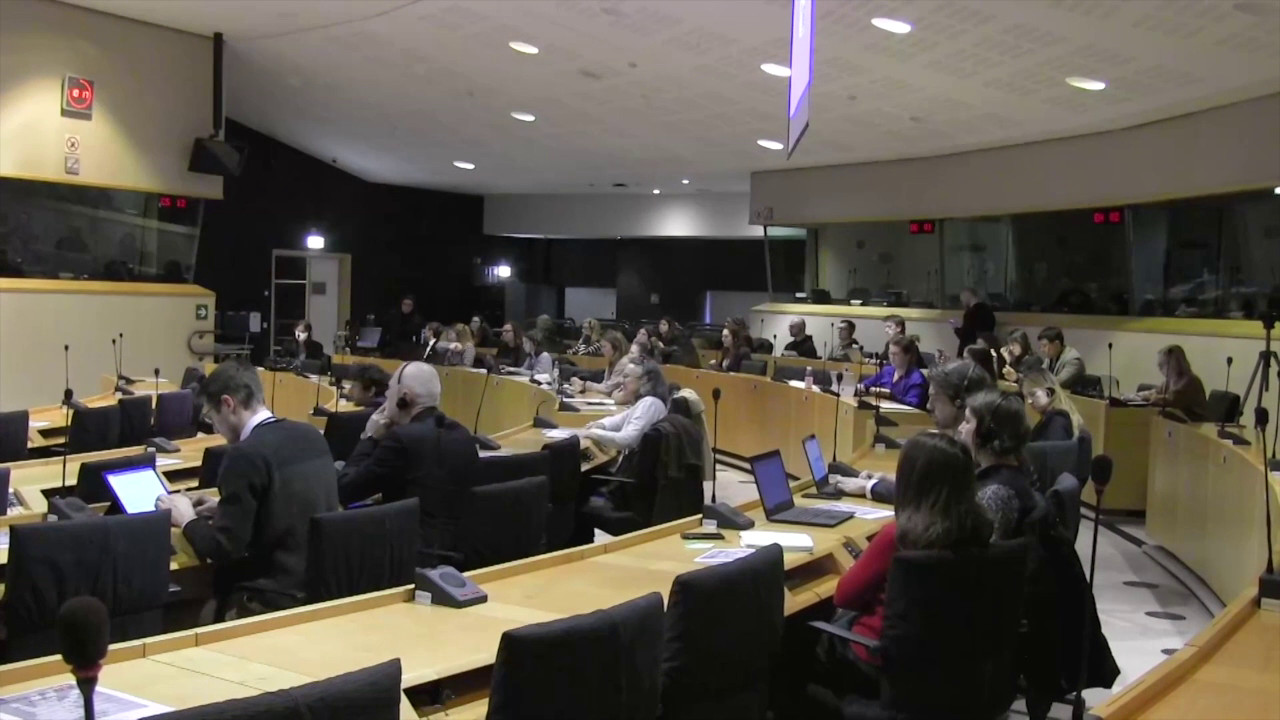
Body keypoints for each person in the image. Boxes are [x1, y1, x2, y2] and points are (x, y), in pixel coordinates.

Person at [156, 361, 339, 620]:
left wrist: (187, 519)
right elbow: (290, 506)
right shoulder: (311, 435)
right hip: (316, 586)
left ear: (228, 404)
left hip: (268, 597)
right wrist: (226, 509)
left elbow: (223, 548)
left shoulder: (244, 455)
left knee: (189, 613)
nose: (214, 427)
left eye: (211, 416)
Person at [821, 433, 992, 696]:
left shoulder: (898, 536)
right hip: (948, 664)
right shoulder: (979, 532)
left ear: (911, 481)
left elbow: (844, 597)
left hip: (877, 659)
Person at [336, 362, 479, 567]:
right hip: (458, 551)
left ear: (404, 397)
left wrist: (369, 436)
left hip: (408, 555)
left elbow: (345, 489)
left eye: (390, 391)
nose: (386, 396)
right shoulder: (462, 434)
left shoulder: (401, 439)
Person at [837, 359, 995, 503]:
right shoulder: (965, 441)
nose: (928, 406)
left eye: (935, 398)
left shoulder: (979, 449)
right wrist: (892, 480)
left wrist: (871, 487)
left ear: (959, 402)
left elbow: (934, 497)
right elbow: (935, 484)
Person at [958, 389, 1040, 540]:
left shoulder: (995, 494)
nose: (960, 428)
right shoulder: (1017, 469)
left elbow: (978, 548)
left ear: (986, 432)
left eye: (968, 422)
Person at [584, 357, 669, 452]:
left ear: (644, 380)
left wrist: (593, 433)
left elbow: (627, 440)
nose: (621, 380)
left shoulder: (650, 404)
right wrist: (601, 425)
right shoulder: (646, 402)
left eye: (626, 376)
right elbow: (619, 420)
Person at [1132, 344, 1209, 420]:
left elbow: (1171, 401)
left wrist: (1151, 397)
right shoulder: (1170, 381)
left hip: (1194, 423)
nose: (1159, 368)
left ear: (1175, 363)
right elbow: (1156, 392)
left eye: (1162, 364)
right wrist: (1135, 396)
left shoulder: (1190, 381)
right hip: (1177, 422)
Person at [857, 335, 928, 409]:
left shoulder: (916, 379)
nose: (891, 357)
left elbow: (913, 403)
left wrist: (890, 395)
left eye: (896, 354)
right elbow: (866, 384)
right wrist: (864, 388)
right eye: (890, 353)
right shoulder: (887, 371)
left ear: (908, 355)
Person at [1021, 368, 1084, 442]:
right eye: (1026, 397)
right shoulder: (1054, 416)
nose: (1029, 401)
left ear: (1049, 392)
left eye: (1032, 394)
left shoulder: (1058, 421)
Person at [570, 330, 629, 396]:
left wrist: (584, 384)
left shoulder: (623, 363)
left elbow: (607, 390)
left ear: (616, 347)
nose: (602, 350)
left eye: (604, 346)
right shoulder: (611, 361)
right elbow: (604, 384)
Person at [951, 288, 996, 356]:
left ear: (967, 296)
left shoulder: (971, 313)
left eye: (962, 298)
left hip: (970, 352)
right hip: (985, 351)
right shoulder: (989, 312)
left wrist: (956, 328)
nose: (962, 302)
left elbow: (966, 337)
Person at [1038, 327, 1086, 392]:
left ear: (1057, 344)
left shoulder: (1073, 360)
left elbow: (1057, 382)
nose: (1042, 350)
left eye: (1044, 346)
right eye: (1040, 346)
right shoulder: (1051, 357)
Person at [381, 295, 425, 360]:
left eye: (409, 305)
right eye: (404, 304)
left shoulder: (417, 320)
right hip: (391, 348)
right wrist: (380, 349)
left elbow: (418, 340)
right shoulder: (392, 317)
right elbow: (384, 334)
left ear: (413, 307)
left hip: (408, 350)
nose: (406, 307)